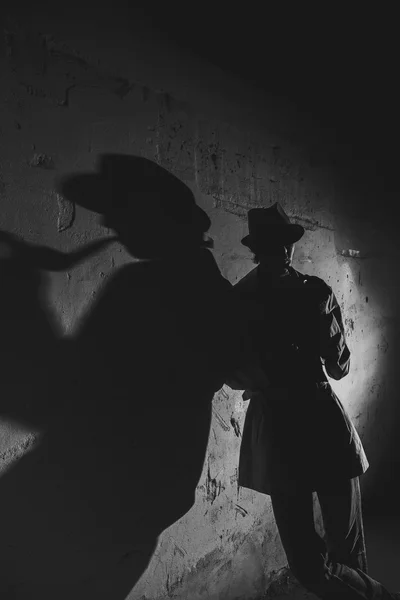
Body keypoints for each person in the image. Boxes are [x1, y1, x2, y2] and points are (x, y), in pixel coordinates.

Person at [226, 203, 400, 600]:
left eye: (285, 244)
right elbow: (338, 366)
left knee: (330, 554)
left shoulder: (247, 298)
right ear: (264, 248)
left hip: (289, 424)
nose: (285, 252)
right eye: (278, 244)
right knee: (327, 556)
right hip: (305, 421)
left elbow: (234, 374)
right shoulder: (307, 292)